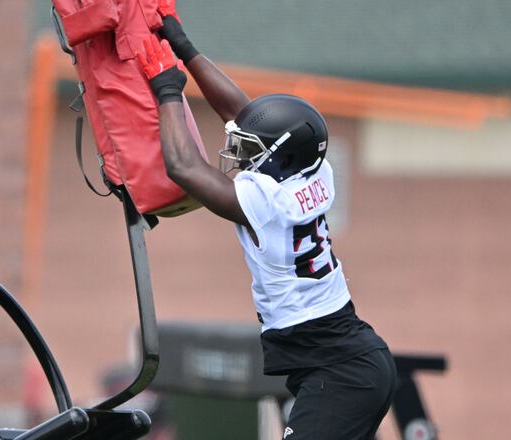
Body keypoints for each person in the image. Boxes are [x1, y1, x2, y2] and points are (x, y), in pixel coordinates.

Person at [135, 2, 397, 439]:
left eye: (253, 150)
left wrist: (167, 90)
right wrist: (184, 47)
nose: (241, 155)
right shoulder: (313, 170)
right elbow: (244, 113)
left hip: (339, 372)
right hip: (350, 360)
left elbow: (183, 166)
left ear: (280, 157)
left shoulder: (271, 201)